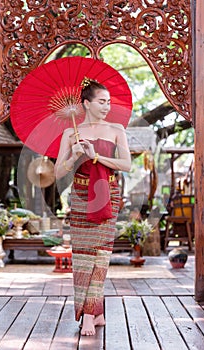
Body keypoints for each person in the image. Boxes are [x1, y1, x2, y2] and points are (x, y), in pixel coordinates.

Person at [54, 78, 131, 336]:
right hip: (81, 193)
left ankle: (87, 315)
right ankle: (96, 313)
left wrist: (97, 156)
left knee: (102, 254)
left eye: (108, 102)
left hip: (109, 192)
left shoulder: (116, 129)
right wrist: (76, 154)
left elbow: (126, 165)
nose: (107, 106)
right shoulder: (69, 133)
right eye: (101, 102)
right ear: (86, 104)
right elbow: (57, 172)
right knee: (83, 255)